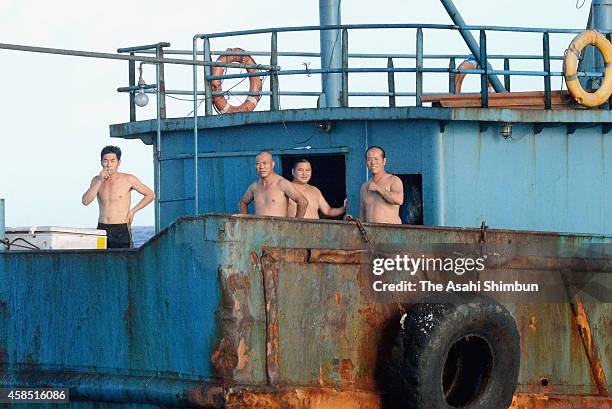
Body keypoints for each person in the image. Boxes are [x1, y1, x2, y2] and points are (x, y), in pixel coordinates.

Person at [82, 146, 155, 248]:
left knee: (124, 259)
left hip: (121, 228)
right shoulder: (96, 180)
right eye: (105, 161)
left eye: (112, 161)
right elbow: (85, 201)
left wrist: (133, 211)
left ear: (118, 162)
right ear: (101, 162)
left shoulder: (128, 179)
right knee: (101, 260)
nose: (108, 165)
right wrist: (100, 180)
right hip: (101, 229)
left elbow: (150, 195)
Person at [240, 151, 308, 217]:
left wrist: (296, 225)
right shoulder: (254, 187)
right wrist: (245, 221)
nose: (261, 167)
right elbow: (243, 203)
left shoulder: (282, 183)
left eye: (265, 163)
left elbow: (303, 202)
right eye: (258, 163)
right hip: (259, 227)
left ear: (272, 164)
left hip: (279, 227)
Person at [360, 146, 403, 224]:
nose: (373, 162)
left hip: (391, 232)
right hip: (370, 233)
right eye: (369, 159)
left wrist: (378, 189)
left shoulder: (394, 180)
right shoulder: (364, 186)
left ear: (384, 161)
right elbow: (363, 215)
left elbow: (399, 200)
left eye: (376, 159)